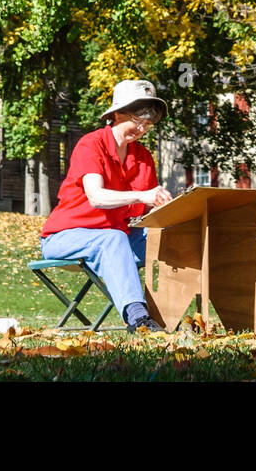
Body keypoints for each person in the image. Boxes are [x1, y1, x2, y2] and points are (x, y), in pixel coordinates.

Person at [40, 79, 173, 332]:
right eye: (137, 119)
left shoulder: (143, 157)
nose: (142, 128)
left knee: (169, 235)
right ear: (116, 114)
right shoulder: (91, 144)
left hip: (118, 238)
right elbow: (97, 197)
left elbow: (146, 212)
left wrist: (166, 208)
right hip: (64, 237)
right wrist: (141, 195)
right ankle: (138, 318)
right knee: (112, 239)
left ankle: (182, 314)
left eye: (147, 123)